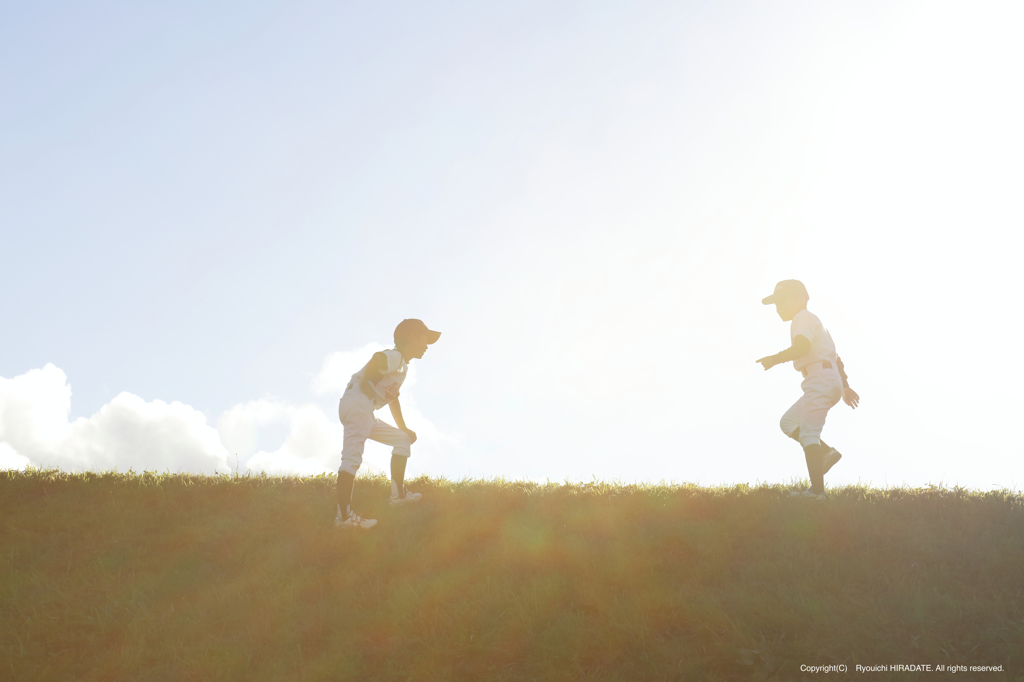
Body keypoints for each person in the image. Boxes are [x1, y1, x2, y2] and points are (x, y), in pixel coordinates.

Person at [756, 280, 859, 500]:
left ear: (801, 298)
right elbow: (836, 359)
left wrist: (775, 359)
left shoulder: (801, 317)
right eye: (775, 304)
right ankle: (825, 453)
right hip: (826, 379)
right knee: (789, 423)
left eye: (782, 301)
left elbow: (802, 347)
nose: (778, 308)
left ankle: (817, 493)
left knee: (810, 433)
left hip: (820, 379)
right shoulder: (815, 322)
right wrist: (846, 386)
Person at [334, 319, 441, 529]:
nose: (427, 346)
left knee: (402, 440)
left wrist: (404, 428)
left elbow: (393, 398)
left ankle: (398, 496)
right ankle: (344, 518)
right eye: (425, 339)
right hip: (359, 403)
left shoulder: (401, 366)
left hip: (364, 407)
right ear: (412, 338)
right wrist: (366, 385)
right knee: (351, 459)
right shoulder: (395, 356)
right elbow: (378, 358)